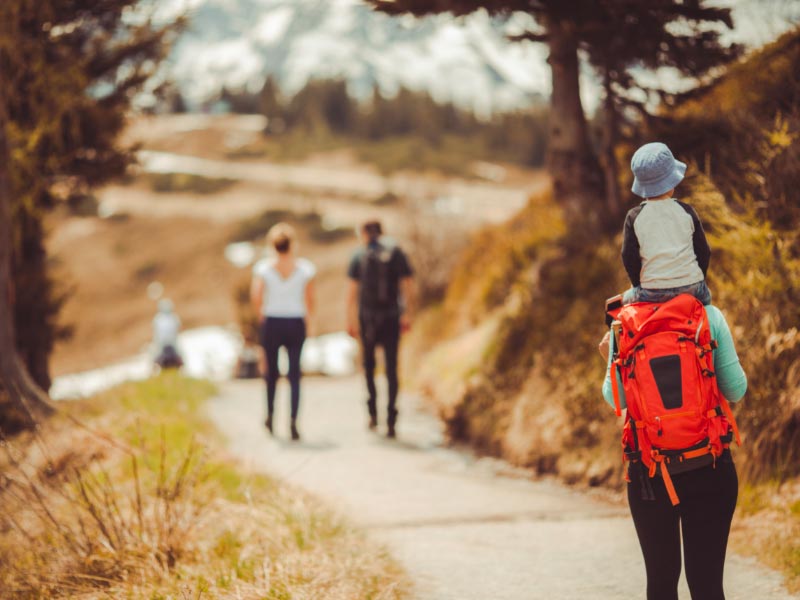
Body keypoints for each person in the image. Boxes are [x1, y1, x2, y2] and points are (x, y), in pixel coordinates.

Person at [599, 303, 747, 600]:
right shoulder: (708, 315)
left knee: (662, 584)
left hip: (650, 474)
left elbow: (614, 398)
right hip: (710, 465)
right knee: (707, 586)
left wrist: (609, 356)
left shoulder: (624, 321)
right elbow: (736, 389)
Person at [346, 220, 414, 438]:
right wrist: (407, 313)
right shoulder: (396, 253)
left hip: (367, 318)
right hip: (392, 316)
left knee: (369, 366)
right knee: (392, 368)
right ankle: (392, 418)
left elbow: (351, 293)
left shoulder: (359, 256)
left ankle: (373, 414)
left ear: (364, 233)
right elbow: (408, 284)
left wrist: (350, 320)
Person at [622, 142, 712, 305]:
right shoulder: (687, 211)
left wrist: (637, 285)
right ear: (672, 182)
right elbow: (704, 251)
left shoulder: (634, 217)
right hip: (693, 289)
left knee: (619, 305)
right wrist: (695, 279)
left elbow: (628, 257)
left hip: (651, 292)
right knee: (709, 305)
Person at [251, 223, 316, 441]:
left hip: (272, 321)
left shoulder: (264, 269)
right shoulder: (305, 269)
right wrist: (308, 319)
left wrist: (261, 314)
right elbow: (310, 299)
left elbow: (257, 296)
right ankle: (293, 422)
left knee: (271, 373)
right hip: (296, 321)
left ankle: (270, 415)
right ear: (293, 244)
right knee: (295, 374)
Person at [152, 298, 183, 369]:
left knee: (178, 355)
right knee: (156, 355)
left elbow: (176, 332)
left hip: (172, 343)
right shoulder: (158, 319)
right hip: (162, 344)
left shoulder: (174, 318)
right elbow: (157, 335)